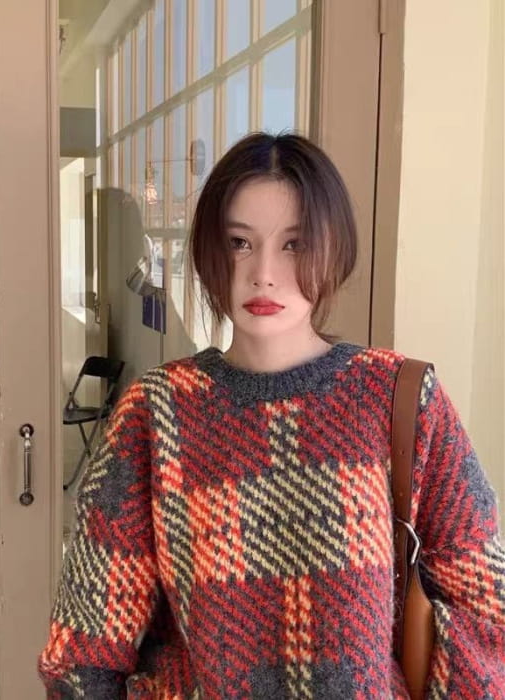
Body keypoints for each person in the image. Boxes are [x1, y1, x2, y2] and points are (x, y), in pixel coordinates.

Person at [38, 133, 505, 698]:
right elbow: (84, 651)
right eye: (239, 243)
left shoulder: (398, 396)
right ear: (209, 252)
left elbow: (485, 610)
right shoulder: (157, 412)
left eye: (295, 244)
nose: (263, 272)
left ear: (335, 250)